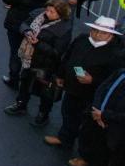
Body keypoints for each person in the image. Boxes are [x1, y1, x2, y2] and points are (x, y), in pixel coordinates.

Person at [46, 16, 125, 157]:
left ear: (111, 35)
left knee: (88, 126)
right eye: (94, 30)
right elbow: (68, 56)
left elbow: (112, 81)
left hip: (92, 95)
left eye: (102, 32)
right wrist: (60, 74)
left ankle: (84, 155)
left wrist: (93, 80)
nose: (97, 34)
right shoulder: (82, 39)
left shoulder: (116, 54)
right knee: (68, 113)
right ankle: (65, 139)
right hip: (72, 88)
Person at [4, 0, 72, 123]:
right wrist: (27, 31)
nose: (47, 13)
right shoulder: (39, 14)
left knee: (45, 91)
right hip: (29, 59)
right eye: (47, 10)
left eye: (52, 12)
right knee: (24, 82)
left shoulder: (64, 29)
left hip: (46, 65)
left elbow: (57, 52)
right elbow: (24, 23)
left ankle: (43, 114)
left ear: (61, 14)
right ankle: (20, 104)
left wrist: (38, 44)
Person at [1, 0, 57, 90]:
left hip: (17, 26)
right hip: (38, 28)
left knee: (16, 53)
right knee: (34, 55)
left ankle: (14, 78)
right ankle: (30, 82)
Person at [78, 64, 125, 166]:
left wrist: (104, 115)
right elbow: (102, 88)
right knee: (98, 151)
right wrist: (97, 110)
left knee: (117, 165)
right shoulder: (120, 72)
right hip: (99, 119)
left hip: (117, 130)